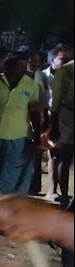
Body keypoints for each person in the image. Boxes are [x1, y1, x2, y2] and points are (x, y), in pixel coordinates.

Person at [0, 52, 42, 197]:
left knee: (12, 170)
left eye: (25, 66)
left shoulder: (31, 85)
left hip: (17, 135)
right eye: (20, 66)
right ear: (9, 66)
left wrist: (37, 136)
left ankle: (3, 202)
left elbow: (34, 112)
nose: (24, 69)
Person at [37, 46, 72, 202]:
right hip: (53, 116)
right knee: (55, 154)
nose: (67, 62)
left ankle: (60, 192)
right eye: (63, 59)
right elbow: (46, 100)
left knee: (64, 156)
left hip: (63, 116)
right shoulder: (44, 76)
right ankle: (53, 190)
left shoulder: (68, 73)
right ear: (52, 60)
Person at [50, 59, 74, 205]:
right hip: (68, 115)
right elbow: (56, 100)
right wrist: (54, 125)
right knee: (65, 156)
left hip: (67, 115)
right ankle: (64, 195)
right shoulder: (66, 70)